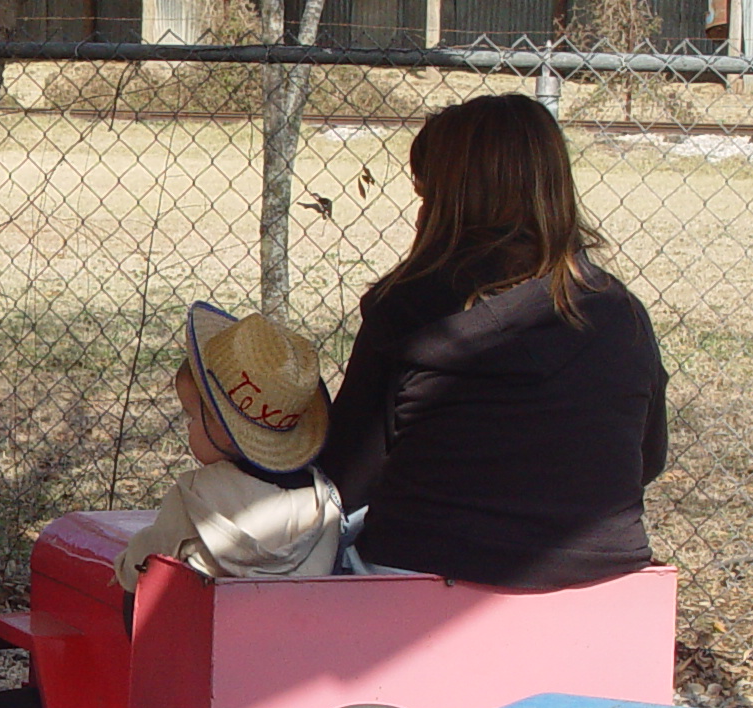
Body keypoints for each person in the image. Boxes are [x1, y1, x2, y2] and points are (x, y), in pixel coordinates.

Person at [317, 93, 667, 588]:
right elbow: (646, 459)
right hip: (601, 575)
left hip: (423, 572)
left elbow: (345, 479)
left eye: (426, 194)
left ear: (446, 202)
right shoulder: (620, 313)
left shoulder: (408, 307)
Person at [116, 305, 344, 590]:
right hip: (296, 624)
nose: (187, 427)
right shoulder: (322, 498)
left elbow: (142, 563)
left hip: (207, 626)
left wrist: (124, 564)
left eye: (191, 417)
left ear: (224, 430)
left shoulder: (196, 495)